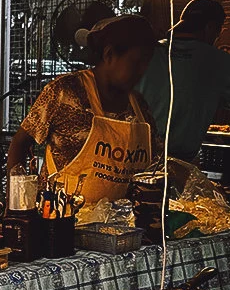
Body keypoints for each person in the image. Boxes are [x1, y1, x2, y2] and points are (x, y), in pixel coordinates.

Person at [8, 14, 157, 186]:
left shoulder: (139, 106)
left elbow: (154, 159)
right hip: (59, 211)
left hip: (119, 212)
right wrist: (17, 202)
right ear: (109, 55)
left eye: (146, 63)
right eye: (136, 62)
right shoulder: (64, 92)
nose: (142, 70)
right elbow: (19, 144)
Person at [137, 0, 230, 163]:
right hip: (176, 163)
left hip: (133, 157)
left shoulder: (148, 53)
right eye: (217, 33)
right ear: (210, 28)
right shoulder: (217, 62)